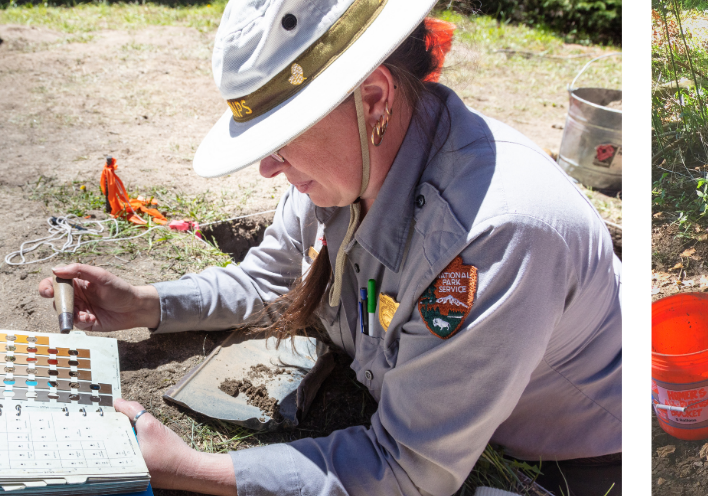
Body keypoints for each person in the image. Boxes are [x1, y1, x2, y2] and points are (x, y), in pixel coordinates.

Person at [34, 1, 622, 494]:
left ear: (372, 98)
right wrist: (145, 302)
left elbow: (409, 470)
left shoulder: (493, 236)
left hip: (575, 460)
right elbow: (268, 282)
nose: (266, 166)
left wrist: (190, 468)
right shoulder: (348, 165)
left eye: (282, 135)